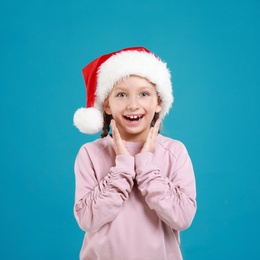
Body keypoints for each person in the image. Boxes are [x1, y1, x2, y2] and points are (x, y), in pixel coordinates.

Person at [73, 47, 196, 260]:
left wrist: (146, 167)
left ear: (158, 103)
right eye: (121, 94)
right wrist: (122, 167)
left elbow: (182, 218)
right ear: (107, 105)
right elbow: (87, 220)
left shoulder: (175, 152)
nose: (133, 105)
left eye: (144, 94)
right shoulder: (90, 154)